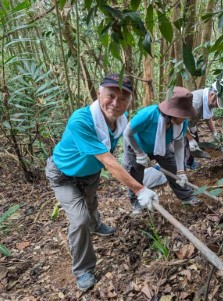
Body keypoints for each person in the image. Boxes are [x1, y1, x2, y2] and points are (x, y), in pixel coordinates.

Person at [45, 74, 159, 292]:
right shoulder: (81, 121)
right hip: (63, 175)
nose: (116, 103)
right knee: (79, 219)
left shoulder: (121, 120)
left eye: (123, 99)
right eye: (111, 96)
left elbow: (126, 139)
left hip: (89, 174)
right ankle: (83, 269)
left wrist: (140, 154)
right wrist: (139, 188)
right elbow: (108, 160)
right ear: (99, 94)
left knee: (90, 203)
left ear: (130, 102)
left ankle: (96, 225)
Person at [123, 86, 202, 214]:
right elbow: (127, 133)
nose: (185, 118)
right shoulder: (147, 115)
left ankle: (186, 196)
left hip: (161, 146)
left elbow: (179, 144)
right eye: (183, 115)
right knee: (134, 174)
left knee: (173, 168)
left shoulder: (182, 122)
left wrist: (181, 171)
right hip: (136, 146)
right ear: (172, 113)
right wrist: (139, 152)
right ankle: (136, 202)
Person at [185, 79, 223, 169]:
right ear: (212, 95)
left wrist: (214, 132)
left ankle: (191, 162)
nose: (217, 106)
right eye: (217, 104)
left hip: (191, 123)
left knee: (196, 142)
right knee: (185, 144)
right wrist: (190, 139)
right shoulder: (195, 103)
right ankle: (184, 166)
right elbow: (182, 123)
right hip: (179, 124)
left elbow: (208, 116)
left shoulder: (208, 99)